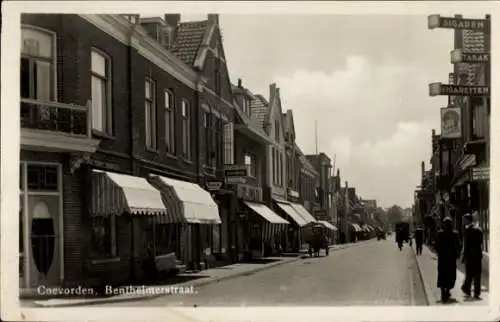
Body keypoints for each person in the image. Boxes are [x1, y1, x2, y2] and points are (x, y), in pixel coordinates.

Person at [435, 217, 461, 303]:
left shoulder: (440, 234)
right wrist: (457, 254)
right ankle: (447, 291)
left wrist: (439, 252)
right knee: (451, 276)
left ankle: (443, 292)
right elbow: (458, 245)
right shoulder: (455, 234)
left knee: (442, 275)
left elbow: (436, 246)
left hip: (442, 258)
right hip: (451, 258)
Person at [461, 213, 484, 299]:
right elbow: (481, 242)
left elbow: (466, 244)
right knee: (477, 275)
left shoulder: (467, 230)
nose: (463, 221)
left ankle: (466, 289)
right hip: (477, 255)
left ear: (467, 220)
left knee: (469, 274)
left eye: (464, 220)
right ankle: (476, 293)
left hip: (470, 256)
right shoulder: (479, 229)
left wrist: (463, 256)